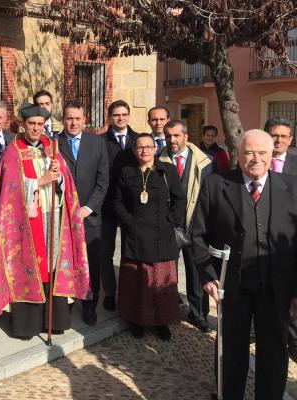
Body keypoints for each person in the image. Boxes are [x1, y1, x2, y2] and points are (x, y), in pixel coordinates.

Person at [192, 129, 297, 400]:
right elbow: (198, 235)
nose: (255, 158)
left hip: (277, 288)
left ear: (272, 154)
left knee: (274, 353)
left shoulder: (293, 188)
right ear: (238, 154)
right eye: (248, 152)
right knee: (231, 352)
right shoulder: (216, 184)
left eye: (262, 152)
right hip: (232, 286)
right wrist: (207, 275)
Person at [0, 104, 91, 339]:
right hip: (26, 222)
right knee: (30, 267)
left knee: (52, 265)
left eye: (40, 125)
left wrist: (61, 175)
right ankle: (28, 324)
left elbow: (68, 187)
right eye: (31, 124)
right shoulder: (13, 151)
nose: (36, 128)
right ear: (22, 125)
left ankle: (53, 320)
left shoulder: (51, 147)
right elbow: (9, 191)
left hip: (53, 216)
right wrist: (41, 180)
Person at [112, 133, 186, 340]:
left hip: (161, 235)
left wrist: (171, 221)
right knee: (137, 285)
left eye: (148, 147)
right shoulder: (127, 172)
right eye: (140, 147)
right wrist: (129, 221)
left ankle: (162, 322)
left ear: (155, 149)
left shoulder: (167, 170)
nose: (144, 151)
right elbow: (117, 201)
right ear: (135, 151)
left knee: (161, 285)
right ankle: (137, 321)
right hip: (135, 235)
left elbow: (180, 199)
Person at [159, 120, 214, 333]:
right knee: (165, 273)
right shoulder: (158, 161)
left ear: (186, 136)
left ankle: (198, 314)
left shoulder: (205, 162)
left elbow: (210, 196)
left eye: (176, 135)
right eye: (168, 136)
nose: (172, 140)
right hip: (168, 227)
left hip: (196, 226)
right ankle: (166, 313)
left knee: (197, 273)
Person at [58, 100, 109, 326]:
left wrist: (87, 208)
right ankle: (66, 304)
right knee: (66, 263)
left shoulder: (97, 143)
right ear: (63, 119)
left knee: (91, 264)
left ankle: (89, 305)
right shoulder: (53, 143)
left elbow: (103, 181)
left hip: (90, 218)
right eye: (69, 118)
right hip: (62, 217)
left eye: (77, 118)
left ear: (84, 119)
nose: (73, 122)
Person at [99, 100, 138, 312]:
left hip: (131, 206)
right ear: (110, 117)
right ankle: (110, 293)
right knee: (106, 251)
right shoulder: (101, 141)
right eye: (116, 115)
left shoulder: (138, 139)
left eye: (124, 114)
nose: (120, 118)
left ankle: (128, 292)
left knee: (129, 251)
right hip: (106, 204)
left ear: (129, 115)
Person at [264, 117, 297, 362]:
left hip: (289, 243)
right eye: (274, 135)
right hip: (260, 245)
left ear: (291, 139)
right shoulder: (253, 162)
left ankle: (293, 340)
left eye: (283, 136)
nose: (278, 140)